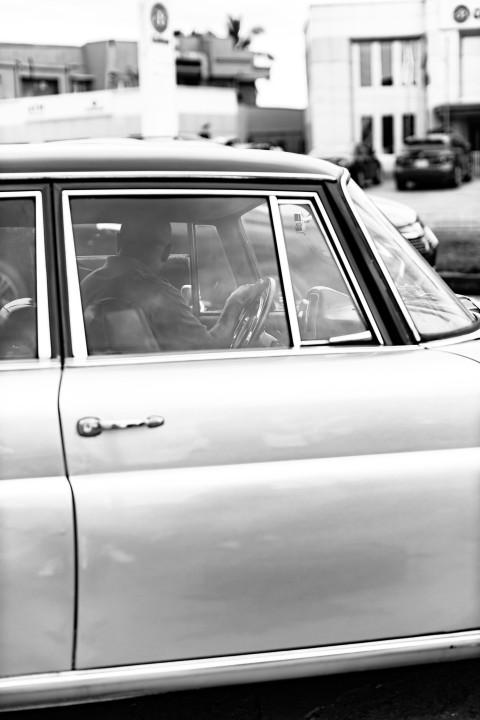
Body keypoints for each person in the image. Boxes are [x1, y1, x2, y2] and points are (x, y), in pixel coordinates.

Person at [81, 213, 261, 352]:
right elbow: (208, 347)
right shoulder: (159, 293)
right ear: (167, 251)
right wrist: (235, 301)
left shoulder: (86, 285)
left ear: (118, 241)